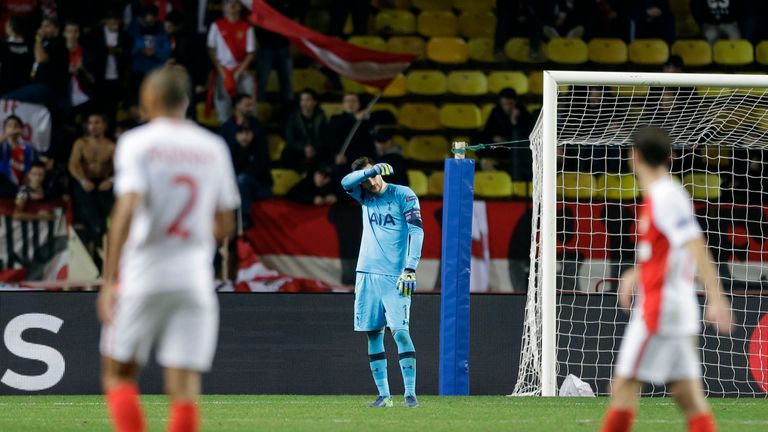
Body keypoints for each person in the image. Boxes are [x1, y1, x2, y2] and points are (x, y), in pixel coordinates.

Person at [97, 66, 239, 432]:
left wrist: (109, 279)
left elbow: (127, 208)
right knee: (185, 387)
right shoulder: (213, 147)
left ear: (151, 98)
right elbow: (225, 224)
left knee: (118, 373)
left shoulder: (137, 142)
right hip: (194, 280)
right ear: (187, 102)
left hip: (145, 274)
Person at [600, 127, 733, 432]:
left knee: (622, 386)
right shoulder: (666, 193)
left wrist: (717, 297)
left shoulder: (665, 196)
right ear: (669, 157)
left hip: (659, 310)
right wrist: (637, 271)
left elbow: (695, 245)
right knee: (688, 396)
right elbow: (669, 251)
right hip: (674, 308)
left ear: (633, 157)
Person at [341, 157, 424, 408]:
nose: (372, 183)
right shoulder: (363, 196)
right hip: (365, 274)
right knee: (373, 335)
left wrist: (410, 269)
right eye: (366, 181)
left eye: (374, 177)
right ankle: (384, 396)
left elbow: (417, 231)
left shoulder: (403, 194)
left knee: (400, 333)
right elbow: (345, 182)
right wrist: (370, 171)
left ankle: (410, 394)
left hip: (395, 276)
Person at [68, 113, 115, 258]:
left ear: (104, 126)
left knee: (103, 219)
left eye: (97, 122)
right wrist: (82, 180)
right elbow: (73, 164)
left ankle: (103, 249)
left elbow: (121, 167)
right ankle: (95, 247)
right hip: (85, 183)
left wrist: (111, 181)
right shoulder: (81, 143)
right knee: (90, 218)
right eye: (90, 123)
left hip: (103, 183)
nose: (93, 126)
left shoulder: (111, 146)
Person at [207, 0, 256, 123]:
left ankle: (248, 128)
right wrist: (222, 72)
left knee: (249, 99)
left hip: (242, 70)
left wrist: (238, 72)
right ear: (224, 7)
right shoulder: (216, 25)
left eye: (235, 3)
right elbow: (211, 50)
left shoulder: (247, 27)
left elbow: (251, 53)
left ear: (240, 7)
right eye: (228, 3)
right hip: (223, 70)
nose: (232, 5)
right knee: (223, 110)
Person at [478, 88, 534, 180]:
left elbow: (525, 138)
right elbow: (487, 133)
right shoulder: (496, 112)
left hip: (515, 152)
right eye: (504, 104)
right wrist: (495, 138)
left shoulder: (524, 114)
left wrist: (514, 123)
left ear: (515, 102)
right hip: (497, 150)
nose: (507, 107)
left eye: (510, 104)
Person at [85, 10, 130, 121]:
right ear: (106, 22)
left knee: (112, 106)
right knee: (98, 105)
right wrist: (105, 50)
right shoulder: (97, 33)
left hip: (116, 76)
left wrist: (117, 51)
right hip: (99, 75)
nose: (115, 26)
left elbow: (127, 54)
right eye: (112, 23)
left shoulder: (123, 35)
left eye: (117, 23)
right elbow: (91, 50)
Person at [229, 123, 272, 226]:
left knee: (242, 179)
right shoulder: (233, 150)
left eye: (247, 133)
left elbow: (259, 171)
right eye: (241, 133)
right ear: (236, 136)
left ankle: (245, 216)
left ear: (252, 134)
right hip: (241, 189)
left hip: (261, 188)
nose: (244, 136)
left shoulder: (260, 148)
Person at [283, 88, 327, 170]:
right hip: (299, 148)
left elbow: (324, 137)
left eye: (307, 100)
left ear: (315, 102)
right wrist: (304, 148)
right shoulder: (293, 117)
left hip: (316, 149)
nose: (304, 103)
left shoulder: (321, 116)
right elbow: (290, 138)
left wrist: (314, 148)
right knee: (287, 153)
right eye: (302, 100)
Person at [0, 115, 37, 198]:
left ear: (21, 129)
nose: (13, 128)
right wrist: (7, 135)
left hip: (20, 189)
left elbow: (30, 169)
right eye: (9, 125)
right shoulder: (2, 146)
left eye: (16, 125)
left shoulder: (28, 149)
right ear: (5, 129)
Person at [0, 17, 33, 95]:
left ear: (11, 27)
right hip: (25, 87)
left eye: (6, 25)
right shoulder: (32, 46)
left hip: (5, 89)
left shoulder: (2, 46)